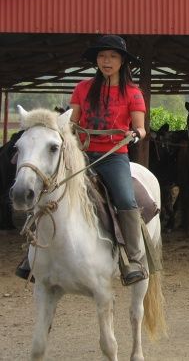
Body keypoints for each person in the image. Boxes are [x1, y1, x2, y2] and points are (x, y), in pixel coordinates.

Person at [17, 35, 148, 285]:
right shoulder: (83, 88)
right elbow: (72, 123)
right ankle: (31, 255)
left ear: (122, 61)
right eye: (102, 56)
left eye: (112, 56)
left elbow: (141, 128)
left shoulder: (133, 93)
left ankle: (132, 258)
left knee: (124, 198)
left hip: (114, 156)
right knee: (47, 189)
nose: (106, 61)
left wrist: (134, 135)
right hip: (82, 153)